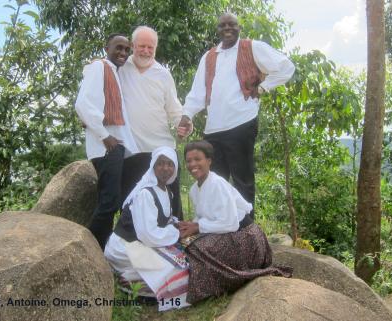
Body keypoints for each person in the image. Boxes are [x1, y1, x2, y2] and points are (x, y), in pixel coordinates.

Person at [178, 13, 295, 218]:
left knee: (243, 180)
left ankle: (247, 232)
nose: (227, 28)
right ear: (218, 29)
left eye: (231, 24)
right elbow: (197, 92)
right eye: (222, 25)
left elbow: (286, 67)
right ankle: (219, 228)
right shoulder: (209, 56)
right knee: (215, 181)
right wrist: (187, 115)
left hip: (241, 123)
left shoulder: (252, 47)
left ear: (239, 27)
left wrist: (263, 88)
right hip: (213, 128)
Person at [180, 140, 292, 303]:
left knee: (197, 248)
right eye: (189, 161)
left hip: (246, 238)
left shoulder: (217, 184)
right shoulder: (194, 190)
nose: (193, 164)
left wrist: (197, 227)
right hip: (230, 233)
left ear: (209, 161)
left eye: (198, 159)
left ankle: (214, 285)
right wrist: (190, 225)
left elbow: (230, 224)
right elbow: (203, 216)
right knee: (188, 243)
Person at [105, 146, 190, 311]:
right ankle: (128, 282)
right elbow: (148, 234)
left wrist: (176, 223)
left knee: (185, 261)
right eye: (160, 163)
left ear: (175, 168)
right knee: (175, 270)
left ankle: (140, 281)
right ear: (153, 166)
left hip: (145, 242)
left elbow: (162, 219)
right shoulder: (145, 193)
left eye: (170, 164)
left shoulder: (167, 192)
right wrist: (176, 232)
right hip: (127, 246)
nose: (165, 168)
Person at [75, 34, 138, 249]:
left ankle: (105, 250)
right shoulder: (98, 67)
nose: (122, 53)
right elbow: (83, 104)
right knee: (109, 202)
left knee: (115, 200)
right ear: (106, 47)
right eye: (118, 48)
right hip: (106, 146)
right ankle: (87, 251)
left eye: (126, 49)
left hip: (116, 145)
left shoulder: (114, 72)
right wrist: (105, 135)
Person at [119, 26, 187, 219]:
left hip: (161, 149)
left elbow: (174, 110)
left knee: (171, 203)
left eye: (151, 47)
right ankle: (132, 247)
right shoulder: (121, 68)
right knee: (131, 203)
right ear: (132, 45)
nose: (146, 51)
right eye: (142, 46)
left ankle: (176, 245)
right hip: (130, 151)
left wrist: (183, 124)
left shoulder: (163, 74)